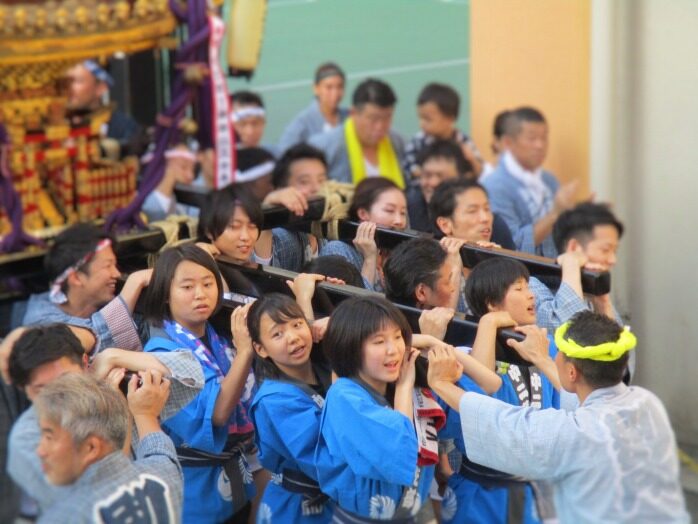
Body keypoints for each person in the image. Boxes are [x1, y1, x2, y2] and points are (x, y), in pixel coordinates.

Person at [428, 311, 690, 523]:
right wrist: (543, 360)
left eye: (558, 356)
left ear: (572, 372)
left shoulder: (574, 433)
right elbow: (582, 401)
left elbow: (505, 423)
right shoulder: (647, 403)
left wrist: (442, 384)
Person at [5, 323, 204, 515]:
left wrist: (112, 356)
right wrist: (124, 410)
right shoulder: (27, 439)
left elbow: (193, 373)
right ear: (24, 390)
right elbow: (109, 493)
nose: (58, 393)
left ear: (85, 364)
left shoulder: (111, 384)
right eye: (42, 389)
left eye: (65, 380)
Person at [142, 244, 259, 523]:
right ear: (165, 295)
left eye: (208, 283)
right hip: (193, 493)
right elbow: (218, 414)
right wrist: (245, 352)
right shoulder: (160, 353)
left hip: (238, 479)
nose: (200, 294)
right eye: (187, 287)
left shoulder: (218, 336)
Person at [314, 296, 438, 522]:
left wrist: (432, 341)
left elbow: (485, 390)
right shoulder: (343, 395)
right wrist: (403, 389)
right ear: (350, 347)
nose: (393, 350)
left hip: (413, 512)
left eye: (398, 337)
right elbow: (395, 452)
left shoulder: (405, 378)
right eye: (379, 342)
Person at [33, 371, 183, 523]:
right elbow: (159, 450)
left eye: (49, 437)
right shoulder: (162, 474)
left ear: (91, 447)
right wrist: (145, 414)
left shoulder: (67, 516)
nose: (40, 450)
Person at [245, 292, 334, 522]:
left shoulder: (324, 367)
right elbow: (322, 461)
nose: (293, 337)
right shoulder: (274, 400)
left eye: (297, 324)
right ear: (261, 349)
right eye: (277, 334)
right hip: (297, 508)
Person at [20, 222, 150, 352]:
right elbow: (94, 337)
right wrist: (134, 283)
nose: (117, 273)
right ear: (76, 278)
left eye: (115, 265)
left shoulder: (109, 303)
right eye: (108, 266)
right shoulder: (40, 321)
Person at [482, 106, 579, 257]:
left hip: (558, 268)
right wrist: (555, 213)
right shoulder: (494, 186)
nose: (540, 145)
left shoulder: (549, 180)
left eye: (544, 138)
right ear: (508, 142)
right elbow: (512, 245)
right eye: (532, 138)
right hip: (524, 276)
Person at [197, 184, 317, 273]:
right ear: (208, 231)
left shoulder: (258, 259)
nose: (245, 236)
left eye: (252, 226)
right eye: (234, 227)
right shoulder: (196, 262)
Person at [310, 78, 406, 188]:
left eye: (387, 118)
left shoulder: (398, 143)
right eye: (373, 118)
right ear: (353, 113)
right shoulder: (323, 148)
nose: (380, 126)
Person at [319, 177, 407, 290]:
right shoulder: (338, 251)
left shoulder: (394, 253)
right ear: (363, 213)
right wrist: (370, 259)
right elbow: (352, 305)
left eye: (403, 213)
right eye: (389, 210)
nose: (399, 221)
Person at [403, 82, 483, 179]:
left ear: (450, 119)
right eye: (420, 118)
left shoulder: (463, 142)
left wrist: (471, 159)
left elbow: (479, 171)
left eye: (428, 119)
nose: (421, 124)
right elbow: (410, 170)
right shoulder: (417, 142)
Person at [65, 59, 143, 158]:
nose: (69, 88)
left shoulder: (123, 128)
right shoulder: (53, 125)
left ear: (100, 88)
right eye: (66, 82)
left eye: (79, 81)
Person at [277, 62, 349, 153]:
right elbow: (283, 154)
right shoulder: (301, 124)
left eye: (340, 87)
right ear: (316, 89)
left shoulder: (349, 118)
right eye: (329, 87)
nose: (335, 94)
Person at [428, 177, 515, 249]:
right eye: (472, 211)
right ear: (445, 225)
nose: (485, 218)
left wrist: (499, 261)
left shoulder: (500, 255)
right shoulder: (429, 266)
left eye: (487, 209)